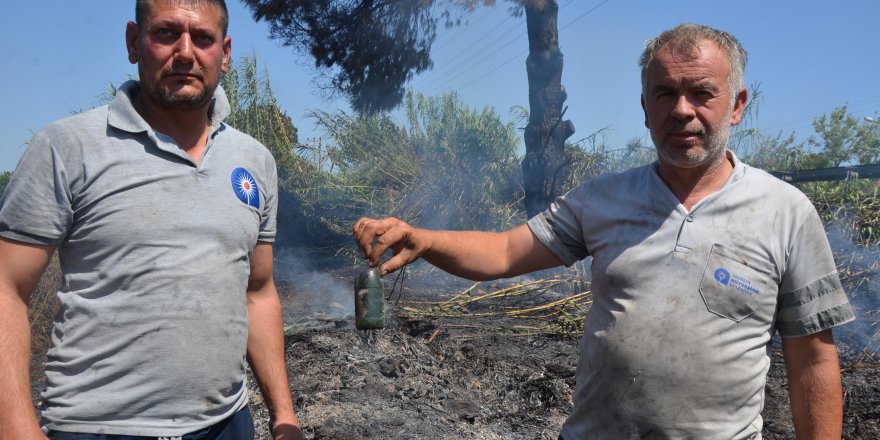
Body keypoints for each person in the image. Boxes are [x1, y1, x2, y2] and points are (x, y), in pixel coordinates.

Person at [354, 23, 856, 439]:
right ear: (644, 108)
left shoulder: (785, 212)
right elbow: (506, 251)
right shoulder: (601, 199)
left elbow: (812, 358)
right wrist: (424, 238)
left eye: (702, 93)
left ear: (737, 105)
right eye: (665, 93)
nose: (682, 110)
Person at [0, 1, 303, 438]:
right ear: (133, 42)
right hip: (99, 429)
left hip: (228, 426)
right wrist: (16, 429)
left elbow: (258, 292)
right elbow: (7, 287)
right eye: (166, 33)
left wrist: (284, 415)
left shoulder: (254, 161)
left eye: (202, 38)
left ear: (225, 52)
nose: (185, 52)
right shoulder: (65, 147)